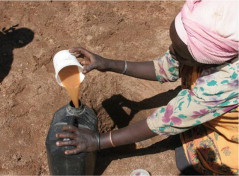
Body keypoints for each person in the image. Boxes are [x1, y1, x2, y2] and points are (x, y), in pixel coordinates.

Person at [56, 0, 238, 174]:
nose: (172, 51)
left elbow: (166, 121)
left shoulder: (225, 83)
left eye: (179, 53)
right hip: (208, 103)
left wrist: (97, 141)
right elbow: (165, 67)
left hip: (231, 138)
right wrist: (108, 64)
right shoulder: (215, 37)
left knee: (190, 160)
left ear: (208, 58)